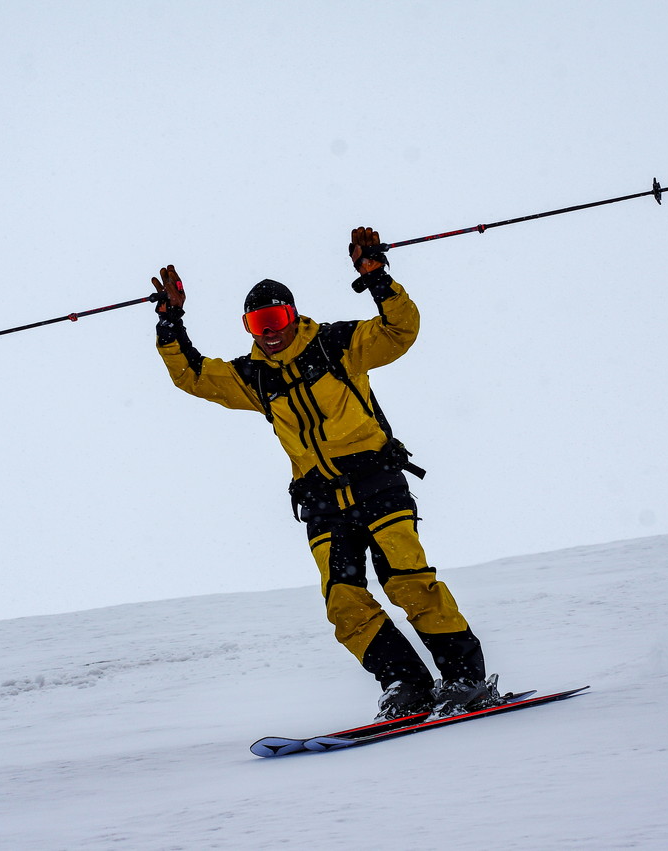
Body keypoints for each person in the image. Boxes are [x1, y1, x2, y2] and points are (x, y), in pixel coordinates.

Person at [151, 227, 498, 721]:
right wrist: (171, 322)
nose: (269, 330)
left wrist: (377, 277)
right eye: (257, 322)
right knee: (344, 602)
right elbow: (193, 375)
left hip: (375, 479)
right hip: (319, 499)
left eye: (276, 317)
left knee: (408, 581)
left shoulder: (337, 345)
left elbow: (400, 332)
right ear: (248, 327)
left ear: (293, 316)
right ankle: (406, 685)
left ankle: (465, 680)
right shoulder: (253, 378)